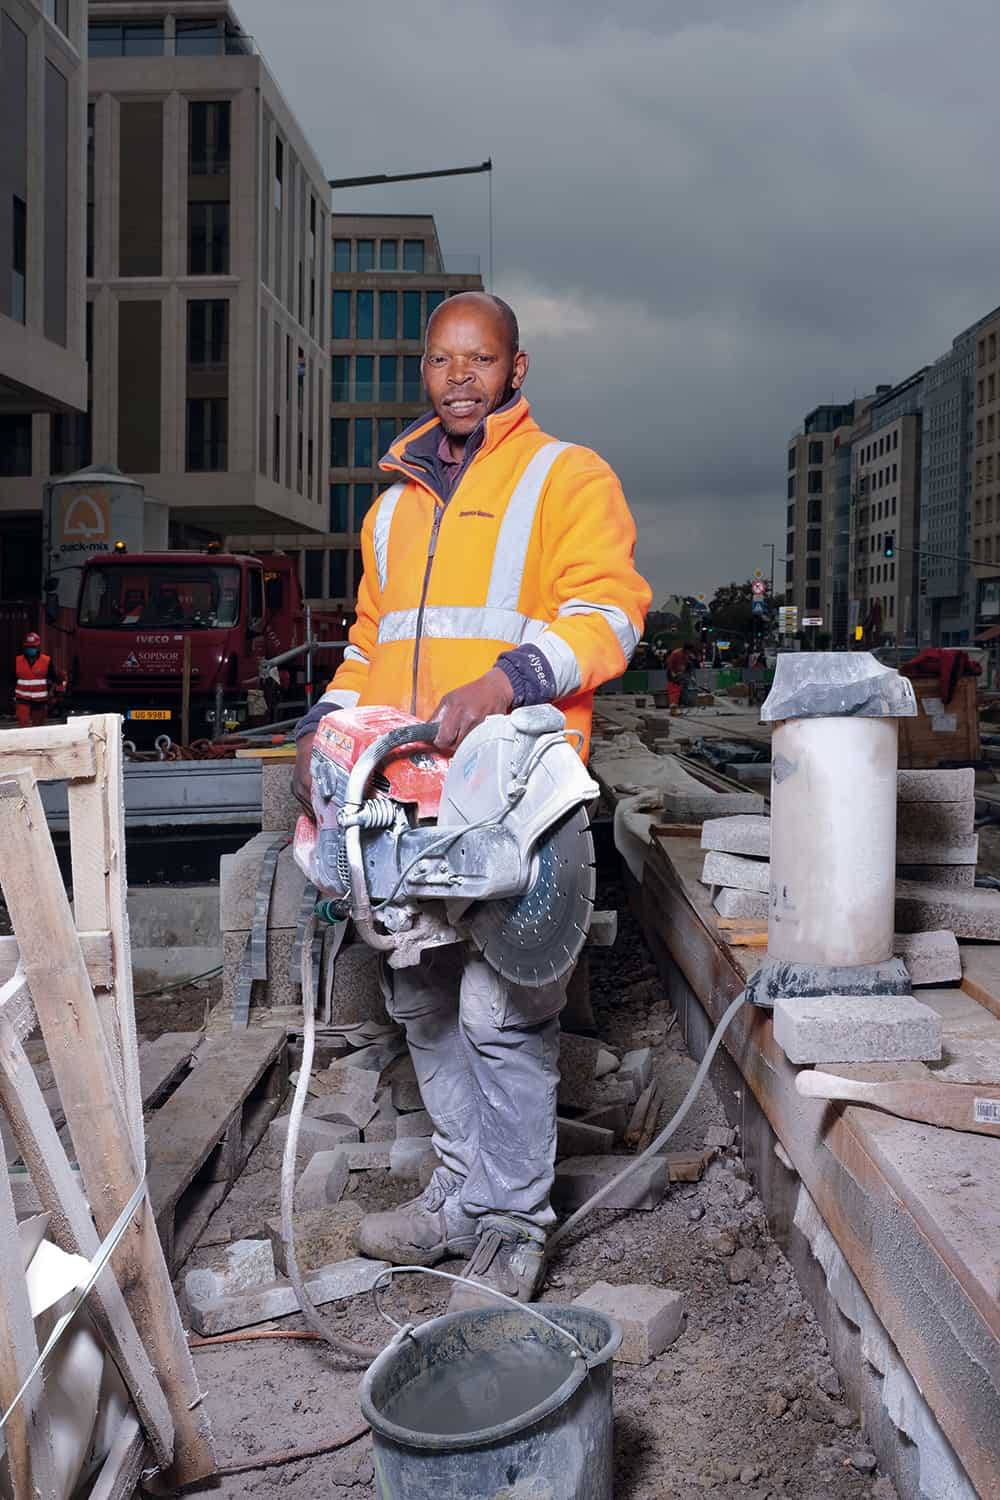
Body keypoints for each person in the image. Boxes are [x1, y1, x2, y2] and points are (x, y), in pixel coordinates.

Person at [293, 292, 651, 1302]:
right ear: (424, 370)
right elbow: (367, 644)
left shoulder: (564, 477)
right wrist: (322, 728)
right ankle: (457, 1196)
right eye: (442, 359)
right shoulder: (393, 507)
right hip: (405, 802)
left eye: (479, 360)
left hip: (515, 799)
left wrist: (507, 679)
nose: (459, 377)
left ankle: (512, 1225)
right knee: (422, 998)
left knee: (503, 1015)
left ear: (515, 370)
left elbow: (610, 615)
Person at [14, 632, 64, 727]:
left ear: (37, 647)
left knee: (38, 728)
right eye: (29, 647)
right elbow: (12, 680)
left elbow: (53, 678)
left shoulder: (46, 661)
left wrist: (58, 687)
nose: (31, 649)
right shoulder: (18, 661)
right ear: (25, 647)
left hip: (40, 701)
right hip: (22, 700)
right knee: (23, 726)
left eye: (33, 647)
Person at [665, 640, 697, 707]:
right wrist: (673, 673)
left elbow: (688, 666)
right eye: (689, 651)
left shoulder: (687, 655)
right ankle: (684, 702)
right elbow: (669, 664)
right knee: (679, 686)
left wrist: (692, 677)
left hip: (680, 673)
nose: (690, 652)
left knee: (684, 685)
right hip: (672, 673)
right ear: (686, 649)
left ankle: (682, 702)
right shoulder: (676, 653)